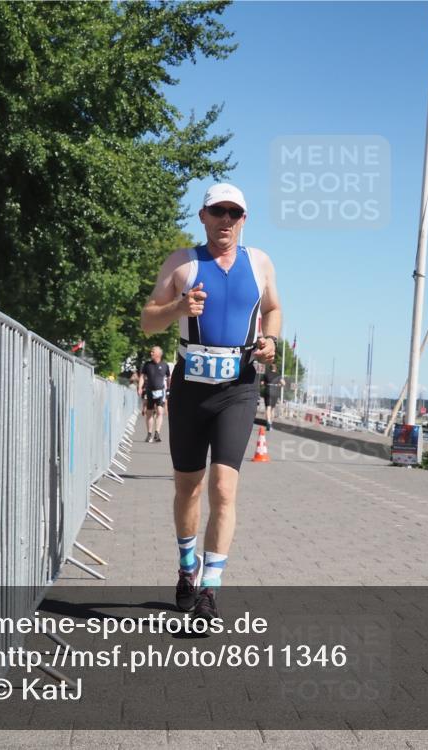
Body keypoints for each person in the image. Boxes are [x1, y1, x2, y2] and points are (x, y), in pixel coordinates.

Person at [141, 183, 282, 623]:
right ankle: (187, 567)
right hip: (190, 387)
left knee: (224, 487)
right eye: (218, 211)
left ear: (244, 219)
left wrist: (271, 340)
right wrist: (178, 309)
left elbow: (273, 308)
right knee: (189, 487)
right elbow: (148, 321)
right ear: (203, 216)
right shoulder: (182, 262)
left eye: (233, 213)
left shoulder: (259, 262)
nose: (226, 219)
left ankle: (210, 589)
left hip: (238, 386)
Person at [138, 346, 170, 442]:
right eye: (151, 352)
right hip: (150, 391)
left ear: (158, 354)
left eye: (153, 352)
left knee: (160, 411)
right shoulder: (147, 365)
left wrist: (169, 389)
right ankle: (149, 434)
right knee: (149, 413)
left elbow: (168, 377)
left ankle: (157, 433)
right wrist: (140, 387)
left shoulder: (165, 365)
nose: (151, 353)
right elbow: (142, 377)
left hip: (161, 391)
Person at [261, 363, 285, 431]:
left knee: (268, 407)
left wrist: (265, 384)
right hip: (275, 391)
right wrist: (279, 385)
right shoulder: (278, 375)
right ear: (275, 369)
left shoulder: (266, 374)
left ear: (270, 368)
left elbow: (262, 383)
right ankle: (271, 423)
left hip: (268, 390)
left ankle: (268, 423)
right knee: (273, 408)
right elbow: (284, 383)